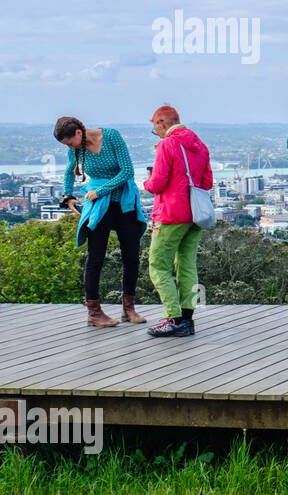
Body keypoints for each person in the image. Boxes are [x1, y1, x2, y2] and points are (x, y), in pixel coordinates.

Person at [53, 116, 149, 327]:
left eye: (70, 142)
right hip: (99, 205)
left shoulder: (112, 136)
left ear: (78, 132)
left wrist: (101, 190)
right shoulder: (76, 150)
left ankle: (129, 308)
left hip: (123, 200)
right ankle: (94, 312)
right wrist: (67, 195)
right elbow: (69, 171)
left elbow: (127, 171)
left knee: (131, 256)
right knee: (95, 257)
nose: (70, 147)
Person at [142, 105, 213, 338]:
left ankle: (172, 318)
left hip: (171, 215)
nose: (157, 133)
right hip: (195, 215)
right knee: (187, 264)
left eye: (156, 128)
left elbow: (158, 183)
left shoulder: (167, 144)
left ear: (162, 123)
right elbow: (207, 181)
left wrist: (147, 181)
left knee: (158, 265)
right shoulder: (199, 145)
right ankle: (187, 319)